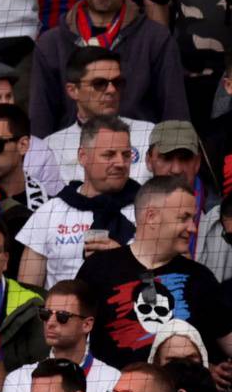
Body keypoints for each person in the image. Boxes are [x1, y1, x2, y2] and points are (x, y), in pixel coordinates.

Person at [30, 0, 187, 138]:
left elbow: (175, 112)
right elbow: (40, 120)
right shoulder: (51, 44)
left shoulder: (156, 39)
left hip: (140, 155)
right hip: (69, 156)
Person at [77, 177, 228, 367]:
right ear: (151, 217)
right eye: (184, 218)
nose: (193, 227)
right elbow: (71, 335)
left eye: (193, 218)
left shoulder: (200, 278)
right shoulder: (98, 269)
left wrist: (210, 367)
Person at [16, 118, 141, 291]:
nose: (120, 163)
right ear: (83, 156)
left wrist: (122, 259)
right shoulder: (51, 212)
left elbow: (165, 279)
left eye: (126, 155)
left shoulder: (147, 208)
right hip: (62, 316)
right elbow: (27, 293)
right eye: (109, 155)